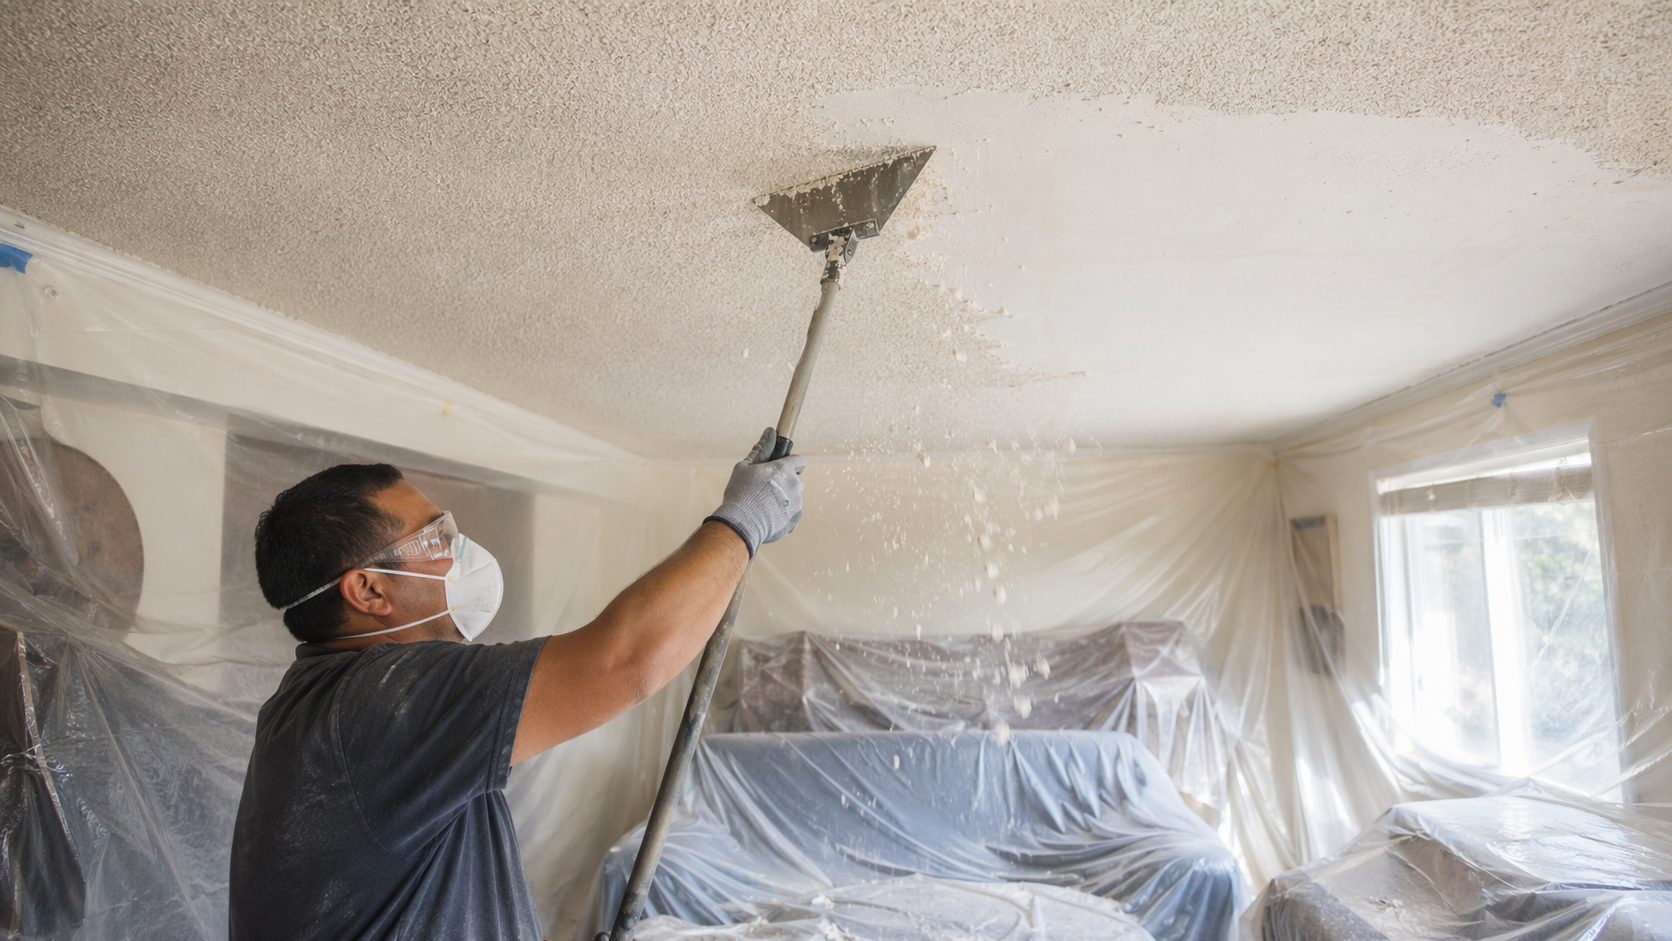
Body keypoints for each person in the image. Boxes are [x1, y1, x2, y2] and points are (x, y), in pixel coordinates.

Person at [228, 429, 804, 941]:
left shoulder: (315, 705)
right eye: (437, 538)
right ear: (370, 591)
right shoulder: (378, 698)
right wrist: (743, 523)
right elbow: (624, 661)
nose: (460, 549)